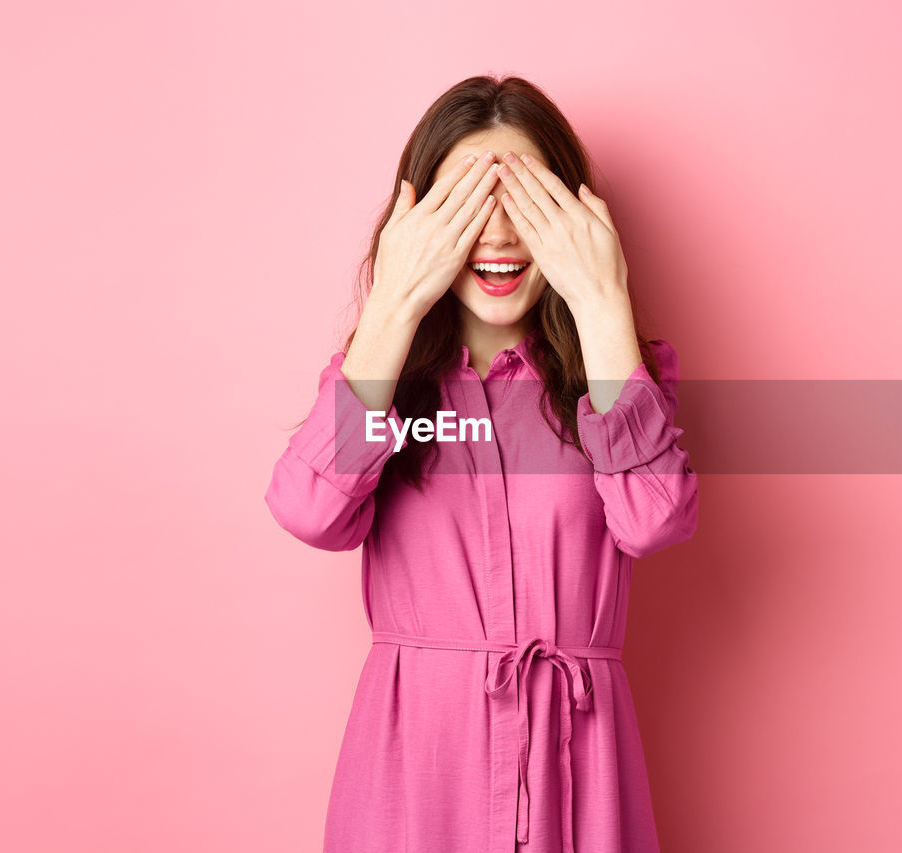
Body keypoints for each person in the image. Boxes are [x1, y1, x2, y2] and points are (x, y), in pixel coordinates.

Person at [264, 75, 698, 853]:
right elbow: (309, 512)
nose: (497, 236)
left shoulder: (615, 376)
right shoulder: (383, 383)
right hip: (415, 775)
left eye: (526, 203)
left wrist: (603, 302)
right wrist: (393, 300)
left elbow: (655, 518)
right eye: (467, 205)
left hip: (579, 765)